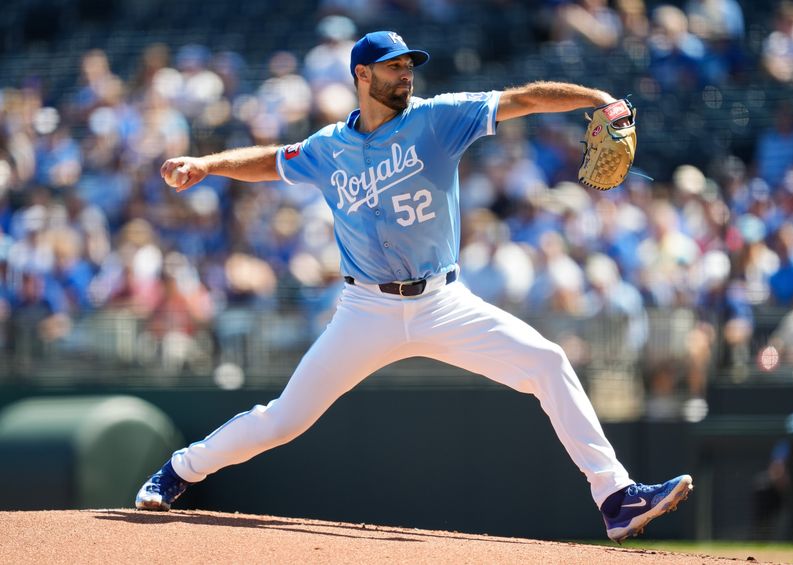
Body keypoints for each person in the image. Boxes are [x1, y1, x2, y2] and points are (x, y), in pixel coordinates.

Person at [134, 30, 693, 543]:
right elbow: (272, 162)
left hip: (443, 302)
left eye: (408, 65)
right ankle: (180, 469)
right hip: (364, 310)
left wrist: (594, 95)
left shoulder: (439, 118)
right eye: (392, 65)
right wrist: (207, 164)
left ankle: (615, 496)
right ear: (362, 75)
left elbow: (523, 98)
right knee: (284, 420)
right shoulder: (330, 147)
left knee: (547, 362)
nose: (405, 73)